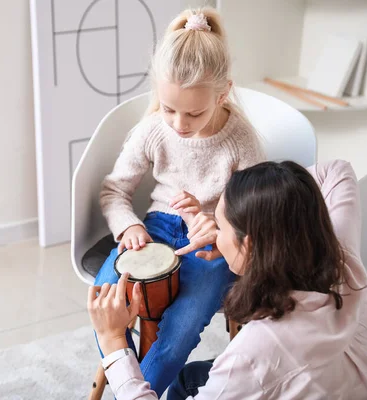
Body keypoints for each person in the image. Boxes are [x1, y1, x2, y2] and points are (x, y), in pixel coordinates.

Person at [88, 160, 367, 399]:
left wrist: (114, 341)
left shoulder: (254, 353)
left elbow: (258, 362)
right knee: (189, 378)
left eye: (220, 225)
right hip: (347, 384)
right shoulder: (341, 256)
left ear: (249, 244)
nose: (214, 234)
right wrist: (276, 207)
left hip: (284, 368)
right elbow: (336, 169)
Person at [94, 7, 265, 396]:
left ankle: (136, 389)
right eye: (169, 108)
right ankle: (135, 382)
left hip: (213, 245)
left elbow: (256, 218)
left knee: (180, 329)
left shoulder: (241, 142)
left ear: (223, 93)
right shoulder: (154, 129)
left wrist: (219, 229)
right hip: (155, 227)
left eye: (194, 112)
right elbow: (114, 191)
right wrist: (130, 226)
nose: (178, 124)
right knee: (103, 303)